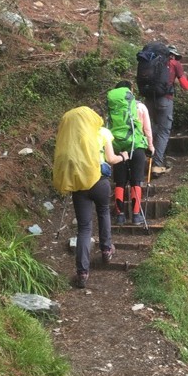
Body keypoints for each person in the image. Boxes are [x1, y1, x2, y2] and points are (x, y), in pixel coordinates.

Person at [53, 106, 124, 289]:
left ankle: (82, 273)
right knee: (103, 213)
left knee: (84, 229)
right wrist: (123, 156)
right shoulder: (102, 132)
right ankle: (106, 250)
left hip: (80, 187)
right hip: (100, 182)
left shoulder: (72, 139)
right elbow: (110, 158)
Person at [143, 44, 188, 175]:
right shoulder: (175, 63)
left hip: (149, 100)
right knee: (163, 131)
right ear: (173, 55)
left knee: (153, 127)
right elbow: (185, 85)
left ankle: (149, 153)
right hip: (165, 100)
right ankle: (157, 165)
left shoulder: (152, 62)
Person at [107, 81, 154, 226]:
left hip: (118, 146)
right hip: (137, 146)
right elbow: (147, 129)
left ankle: (120, 215)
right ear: (130, 90)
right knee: (136, 180)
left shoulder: (112, 107)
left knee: (120, 181)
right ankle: (136, 215)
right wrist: (150, 146)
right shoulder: (140, 106)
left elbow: (108, 128)